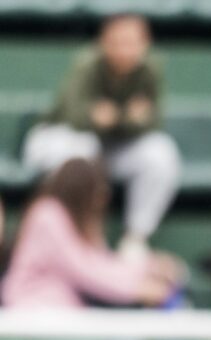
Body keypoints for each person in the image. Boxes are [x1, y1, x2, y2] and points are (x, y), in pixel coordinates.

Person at [22, 14, 181, 256]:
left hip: (109, 147)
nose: (124, 50)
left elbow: (152, 121)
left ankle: (135, 238)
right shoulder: (86, 63)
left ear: (145, 43)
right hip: (57, 140)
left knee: (160, 152)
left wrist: (115, 117)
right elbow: (74, 117)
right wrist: (122, 116)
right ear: (104, 41)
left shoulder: (150, 69)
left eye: (131, 43)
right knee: (84, 148)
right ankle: (74, 236)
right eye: (117, 42)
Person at [1, 158, 182, 308]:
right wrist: (138, 288)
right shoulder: (47, 214)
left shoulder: (81, 222)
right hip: (29, 311)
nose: (101, 199)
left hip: (63, 313)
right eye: (98, 190)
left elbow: (100, 262)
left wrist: (149, 267)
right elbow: (83, 270)